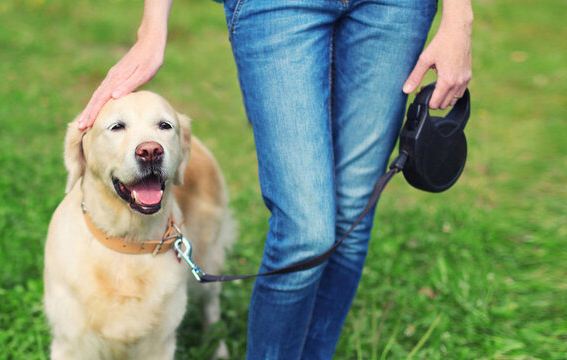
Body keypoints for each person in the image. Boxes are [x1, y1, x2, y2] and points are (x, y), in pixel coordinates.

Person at [74, 0, 473, 358]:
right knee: (307, 233)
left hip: (395, 8)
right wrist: (152, 25)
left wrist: (459, 16)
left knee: (352, 219)